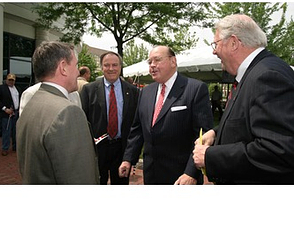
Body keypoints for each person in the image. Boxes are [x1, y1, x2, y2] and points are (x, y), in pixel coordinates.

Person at [193, 14, 294, 184]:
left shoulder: (267, 76)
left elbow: (279, 150)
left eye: (215, 44)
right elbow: (248, 121)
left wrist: (211, 157)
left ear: (233, 43)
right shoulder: (256, 73)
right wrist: (216, 133)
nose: (214, 51)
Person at [119, 46, 213, 185]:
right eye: (149, 62)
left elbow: (202, 135)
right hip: (151, 173)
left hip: (181, 176)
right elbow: (138, 130)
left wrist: (191, 172)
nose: (152, 65)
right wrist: (128, 159)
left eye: (157, 60)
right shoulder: (146, 92)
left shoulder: (195, 89)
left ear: (173, 61)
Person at [16, 41, 99, 184]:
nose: (78, 72)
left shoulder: (31, 103)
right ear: (63, 68)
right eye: (76, 65)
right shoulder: (67, 112)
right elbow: (80, 179)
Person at [80, 51, 139, 185]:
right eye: (107, 65)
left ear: (120, 67)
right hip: (97, 149)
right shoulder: (89, 90)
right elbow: (84, 122)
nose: (111, 69)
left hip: (121, 149)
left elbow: (135, 124)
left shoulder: (133, 92)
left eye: (115, 65)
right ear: (101, 67)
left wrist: (131, 154)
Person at [0, 73, 22, 156]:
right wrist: (5, 109)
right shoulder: (1, 88)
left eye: (12, 80)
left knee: (15, 131)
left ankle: (15, 147)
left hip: (16, 112)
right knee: (6, 131)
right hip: (6, 114)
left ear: (14, 81)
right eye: (9, 80)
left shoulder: (18, 89)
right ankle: (5, 148)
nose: (11, 82)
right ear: (6, 80)